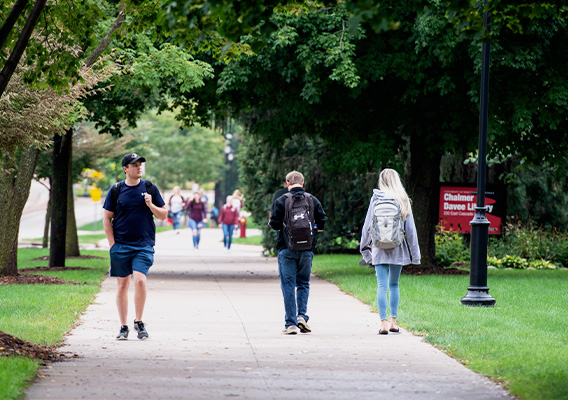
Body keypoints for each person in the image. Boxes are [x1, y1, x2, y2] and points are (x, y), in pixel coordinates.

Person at [102, 153, 167, 340]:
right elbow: (107, 218)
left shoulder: (149, 188)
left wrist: (150, 205)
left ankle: (139, 322)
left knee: (139, 281)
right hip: (121, 244)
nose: (139, 167)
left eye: (140, 165)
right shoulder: (116, 190)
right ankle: (123, 326)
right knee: (122, 285)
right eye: (134, 165)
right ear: (125, 169)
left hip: (143, 244)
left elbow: (163, 215)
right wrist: (112, 244)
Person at [359, 168, 421, 335]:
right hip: (398, 248)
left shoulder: (375, 199)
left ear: (382, 181)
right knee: (394, 285)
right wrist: (415, 256)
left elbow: (367, 226)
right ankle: (394, 321)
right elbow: (411, 231)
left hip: (378, 248)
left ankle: (383, 323)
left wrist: (364, 249)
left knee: (381, 285)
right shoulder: (403, 200)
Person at [269, 171, 327, 335]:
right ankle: (302, 316)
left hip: (286, 248)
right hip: (307, 249)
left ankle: (291, 324)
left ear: (287, 183)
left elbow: (274, 224)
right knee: (303, 283)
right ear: (303, 182)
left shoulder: (281, 200)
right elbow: (322, 223)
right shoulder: (312, 200)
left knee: (288, 285)